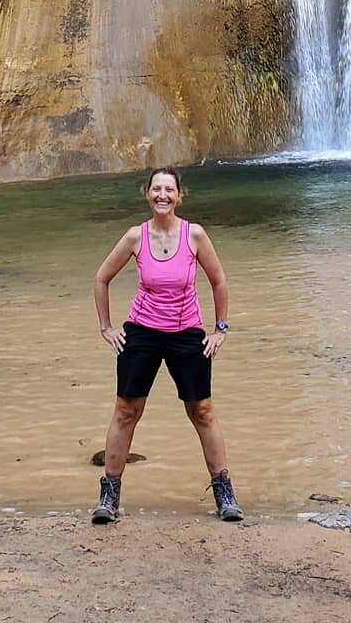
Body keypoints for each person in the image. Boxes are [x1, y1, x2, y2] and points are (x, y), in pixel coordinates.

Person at [91, 167, 242, 524]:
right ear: (147, 194)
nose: (162, 195)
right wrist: (106, 327)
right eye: (156, 189)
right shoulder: (134, 237)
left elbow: (219, 281)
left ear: (179, 195)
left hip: (186, 332)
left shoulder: (195, 235)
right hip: (141, 333)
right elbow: (101, 278)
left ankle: (225, 494)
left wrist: (220, 329)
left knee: (202, 410)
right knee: (126, 411)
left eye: (169, 189)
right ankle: (108, 496)